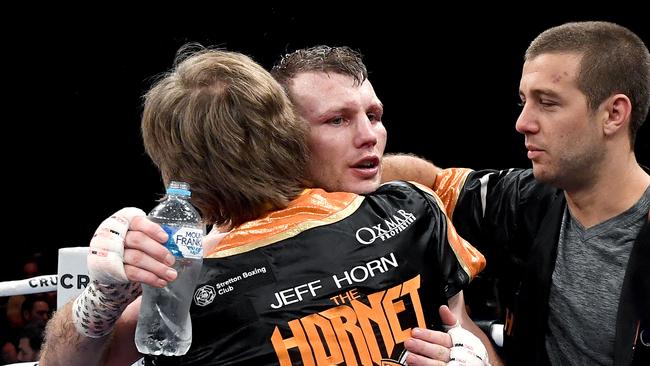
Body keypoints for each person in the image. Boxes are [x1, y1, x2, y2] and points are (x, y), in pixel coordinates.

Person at [39, 46, 494, 365]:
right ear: (289, 137)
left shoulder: (411, 210)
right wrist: (103, 297)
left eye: (373, 116)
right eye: (337, 120)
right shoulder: (185, 267)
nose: (368, 135)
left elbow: (467, 335)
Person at [384, 21, 650, 365]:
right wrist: (321, 173)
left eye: (548, 102)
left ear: (614, 114)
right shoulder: (522, 200)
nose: (523, 123)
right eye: (524, 101)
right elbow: (430, 183)